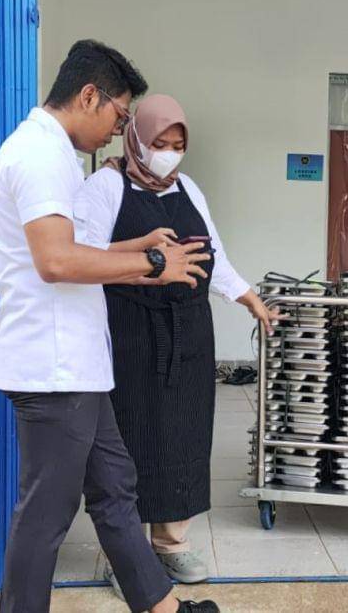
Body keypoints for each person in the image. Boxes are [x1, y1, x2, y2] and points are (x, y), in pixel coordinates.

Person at [0, 39, 219, 613]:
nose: (119, 129)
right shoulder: (39, 156)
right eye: (119, 113)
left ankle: (163, 608)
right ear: (88, 96)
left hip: (81, 365)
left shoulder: (57, 156)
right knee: (45, 516)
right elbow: (56, 261)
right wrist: (153, 263)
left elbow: (72, 251)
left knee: (115, 491)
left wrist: (134, 247)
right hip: (54, 368)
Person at [74, 94, 277, 585]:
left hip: (189, 333)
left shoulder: (189, 188)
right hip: (131, 331)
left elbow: (214, 256)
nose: (168, 154)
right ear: (137, 139)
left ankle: (171, 545)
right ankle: (125, 556)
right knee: (132, 440)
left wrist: (250, 299)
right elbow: (84, 254)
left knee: (184, 436)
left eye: (177, 145)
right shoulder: (105, 187)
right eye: (159, 143)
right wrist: (145, 259)